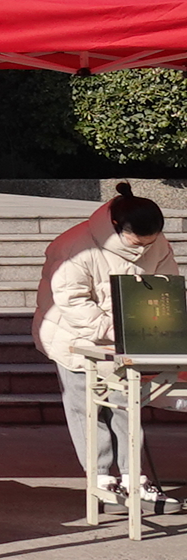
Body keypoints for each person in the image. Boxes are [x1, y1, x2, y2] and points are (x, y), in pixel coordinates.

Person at [33, 184, 176, 510]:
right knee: (88, 409)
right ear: (115, 226)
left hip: (126, 339)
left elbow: (165, 286)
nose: (145, 248)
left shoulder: (157, 242)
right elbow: (71, 300)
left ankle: (132, 476)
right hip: (74, 338)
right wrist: (110, 329)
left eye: (151, 241)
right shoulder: (74, 247)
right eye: (137, 242)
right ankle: (99, 477)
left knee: (127, 405)